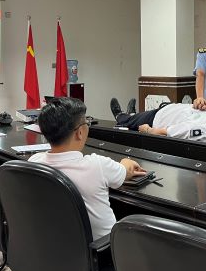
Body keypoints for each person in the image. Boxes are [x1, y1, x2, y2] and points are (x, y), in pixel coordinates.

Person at [30, 97, 146, 240]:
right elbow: (127, 171)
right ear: (79, 132)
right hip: (104, 248)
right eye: (86, 123)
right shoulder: (97, 166)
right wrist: (125, 161)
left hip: (56, 244)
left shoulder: (34, 162)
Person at [111, 98, 206, 142]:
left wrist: (148, 130)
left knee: (129, 122)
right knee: (136, 117)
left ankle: (120, 116)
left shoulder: (198, 130)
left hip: (157, 119)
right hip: (168, 110)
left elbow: (167, 132)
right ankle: (132, 114)